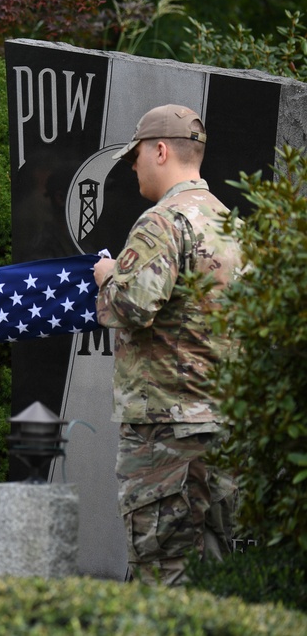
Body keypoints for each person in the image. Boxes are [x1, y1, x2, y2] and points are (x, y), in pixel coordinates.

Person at [93, 104, 240, 586]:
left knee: (163, 577)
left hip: (164, 435)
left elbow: (131, 307)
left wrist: (110, 276)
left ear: (159, 150)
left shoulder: (162, 221)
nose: (133, 165)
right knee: (212, 576)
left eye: (135, 155)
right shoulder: (231, 226)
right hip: (221, 426)